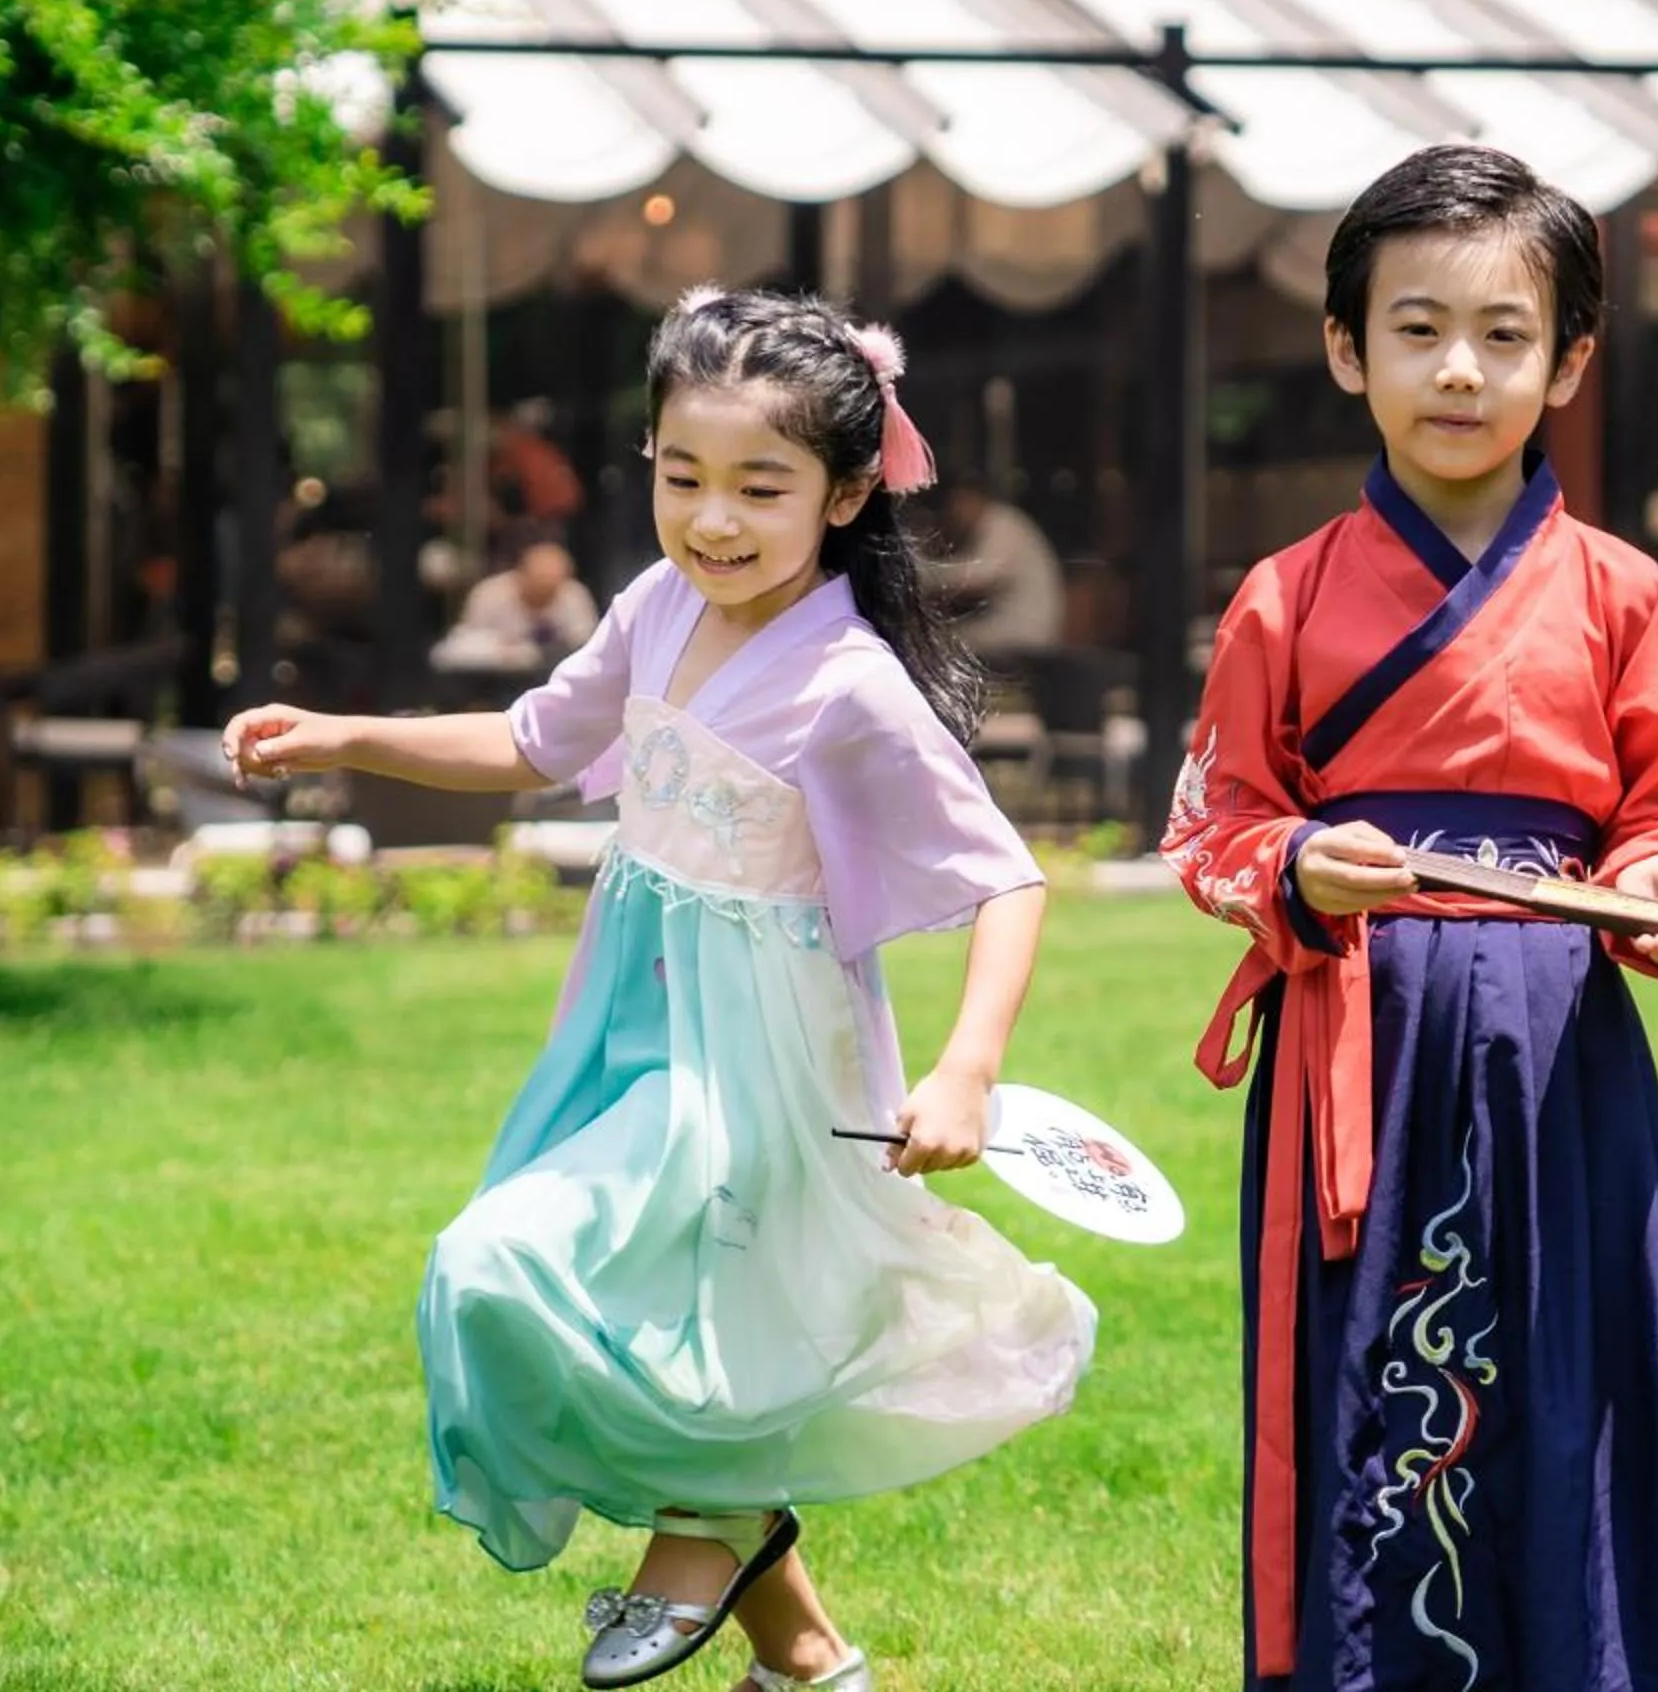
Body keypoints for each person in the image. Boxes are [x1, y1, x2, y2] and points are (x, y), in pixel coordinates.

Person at [223, 287, 1096, 1692]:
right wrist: (345, 733)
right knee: (634, 1310)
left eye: (762, 485)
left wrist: (968, 1069)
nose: (716, 518)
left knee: (516, 1273)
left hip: (763, 1064)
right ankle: (807, 1658)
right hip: (631, 1029)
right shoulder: (659, 603)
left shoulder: (851, 685)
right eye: (683, 478)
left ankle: (717, 1519)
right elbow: (531, 738)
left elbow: (1008, 878)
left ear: (848, 491)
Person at [1161, 146, 1658, 1692]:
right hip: (1355, 1056)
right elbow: (1217, 818)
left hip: (1556, 1060)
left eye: (1506, 335)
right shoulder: (1285, 600)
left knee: (1584, 1371)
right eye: (1416, 327)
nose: (1458, 369)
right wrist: (1295, 863)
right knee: (1365, 1385)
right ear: (1345, 349)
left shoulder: (1620, 592)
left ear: (1568, 363)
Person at [924, 480, 1065, 656]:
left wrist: (926, 576)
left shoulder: (1002, 523)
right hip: (1012, 622)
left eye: (960, 502)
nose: (956, 512)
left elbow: (981, 576)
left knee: (942, 642)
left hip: (1024, 628)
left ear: (975, 499)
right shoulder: (993, 523)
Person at [440, 533, 603, 667]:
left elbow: (587, 645)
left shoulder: (574, 595)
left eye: (550, 592)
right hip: (495, 675)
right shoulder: (489, 593)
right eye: (538, 588)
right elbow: (464, 643)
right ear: (521, 576)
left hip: (552, 673)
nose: (543, 595)